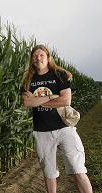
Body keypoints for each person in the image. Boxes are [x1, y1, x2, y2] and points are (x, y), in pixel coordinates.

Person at [21, 44, 92, 193]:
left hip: (65, 128)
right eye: (35, 55)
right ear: (32, 59)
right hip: (42, 131)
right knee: (49, 174)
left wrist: (38, 100)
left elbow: (66, 101)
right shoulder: (28, 79)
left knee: (78, 169)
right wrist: (52, 96)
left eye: (41, 55)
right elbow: (27, 102)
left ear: (48, 57)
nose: (38, 57)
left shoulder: (59, 74)